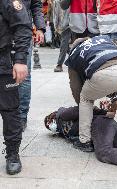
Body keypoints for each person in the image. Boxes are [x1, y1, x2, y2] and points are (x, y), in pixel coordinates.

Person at [0, 0, 32, 174]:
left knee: (10, 111)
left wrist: (20, 60)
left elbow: (22, 27)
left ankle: (12, 154)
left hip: (3, 61)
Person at [20, 0, 46, 130]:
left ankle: (21, 117)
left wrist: (40, 28)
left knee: (24, 76)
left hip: (23, 31)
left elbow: (36, 5)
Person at [53, 0, 71, 72]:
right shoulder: (56, 2)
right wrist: (56, 27)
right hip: (63, 26)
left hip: (71, 23)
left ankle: (59, 64)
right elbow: (55, 14)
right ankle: (73, 58)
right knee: (65, 45)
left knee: (64, 45)